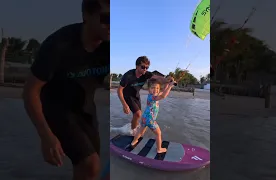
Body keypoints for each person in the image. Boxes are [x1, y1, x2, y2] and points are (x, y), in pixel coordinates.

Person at [22, 0, 109, 179]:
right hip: (56, 107)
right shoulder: (59, 45)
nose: (112, 26)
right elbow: (30, 91)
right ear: (86, 16)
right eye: (106, 18)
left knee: (93, 169)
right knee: (90, 164)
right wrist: (45, 135)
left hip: (85, 107)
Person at [117, 56, 174, 133]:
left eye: (147, 67)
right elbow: (119, 90)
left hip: (136, 95)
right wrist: (124, 104)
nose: (145, 69)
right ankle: (133, 132)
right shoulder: (128, 75)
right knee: (138, 114)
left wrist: (167, 80)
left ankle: (132, 129)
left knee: (137, 115)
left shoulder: (146, 74)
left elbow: (158, 78)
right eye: (143, 67)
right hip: (127, 95)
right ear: (137, 66)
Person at [130, 79, 175, 153]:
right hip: (150, 120)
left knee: (141, 132)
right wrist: (170, 86)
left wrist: (168, 85)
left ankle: (134, 141)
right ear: (148, 89)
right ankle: (159, 149)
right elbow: (163, 96)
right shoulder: (153, 97)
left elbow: (162, 91)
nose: (155, 90)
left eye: (157, 88)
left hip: (145, 117)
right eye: (153, 88)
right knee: (158, 133)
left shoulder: (152, 95)